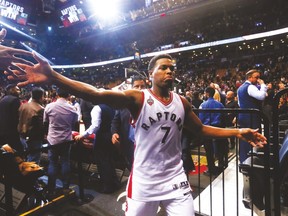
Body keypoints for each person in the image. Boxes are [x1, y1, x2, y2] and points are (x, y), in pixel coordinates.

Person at [6, 52, 267, 216]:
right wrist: (53, 77)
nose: (169, 71)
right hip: (143, 180)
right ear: (151, 73)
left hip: (175, 181)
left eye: (172, 68)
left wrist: (238, 131)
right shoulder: (137, 98)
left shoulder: (182, 102)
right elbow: (95, 93)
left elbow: (199, 129)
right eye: (164, 67)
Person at [74, 103, 120, 194]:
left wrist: (83, 135)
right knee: (109, 160)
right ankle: (114, 183)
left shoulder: (97, 108)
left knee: (103, 162)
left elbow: (95, 126)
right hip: (111, 135)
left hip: (102, 137)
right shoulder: (113, 106)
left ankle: (107, 186)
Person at [43, 88, 78, 195]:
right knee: (65, 162)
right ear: (68, 96)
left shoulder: (49, 106)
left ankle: (51, 188)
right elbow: (74, 124)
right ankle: (66, 187)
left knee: (52, 163)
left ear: (57, 95)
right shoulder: (72, 109)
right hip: (66, 140)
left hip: (52, 139)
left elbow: (45, 122)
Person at [111, 76, 147, 171]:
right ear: (131, 88)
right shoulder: (124, 104)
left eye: (142, 86)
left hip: (146, 147)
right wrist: (114, 133)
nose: (139, 89)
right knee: (132, 169)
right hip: (129, 145)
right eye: (136, 86)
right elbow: (115, 121)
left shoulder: (152, 104)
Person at [237, 69, 267, 163]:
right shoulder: (250, 87)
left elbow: (239, 103)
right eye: (256, 77)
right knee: (254, 137)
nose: (258, 80)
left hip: (243, 115)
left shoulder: (240, 88)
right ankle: (254, 161)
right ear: (249, 77)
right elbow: (261, 96)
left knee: (245, 138)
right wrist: (263, 85)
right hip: (252, 117)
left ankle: (244, 160)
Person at [199, 87, 229, 175]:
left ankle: (211, 169)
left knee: (209, 150)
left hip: (207, 128)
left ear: (207, 94)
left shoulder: (203, 105)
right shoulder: (220, 105)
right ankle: (221, 166)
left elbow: (201, 118)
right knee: (220, 148)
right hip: (218, 128)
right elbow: (224, 117)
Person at [18, 87, 45, 164]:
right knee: (34, 160)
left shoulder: (23, 105)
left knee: (27, 157)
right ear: (41, 96)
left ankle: (26, 174)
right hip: (34, 138)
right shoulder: (40, 109)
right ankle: (32, 175)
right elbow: (41, 126)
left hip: (22, 136)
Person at [0, 84, 23, 152]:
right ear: (11, 90)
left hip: (2, 130)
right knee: (17, 151)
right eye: (17, 89)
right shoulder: (15, 100)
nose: (19, 92)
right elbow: (16, 117)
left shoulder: (2, 99)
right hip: (12, 131)